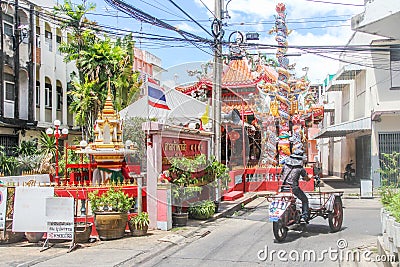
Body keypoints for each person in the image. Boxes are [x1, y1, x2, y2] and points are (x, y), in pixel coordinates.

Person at [280, 150, 311, 222]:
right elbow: (306, 178)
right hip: (294, 188)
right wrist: (309, 177)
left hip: (283, 187)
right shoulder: (300, 168)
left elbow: (281, 174)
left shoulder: (285, 165)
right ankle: (304, 216)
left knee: (289, 200)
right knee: (305, 200)